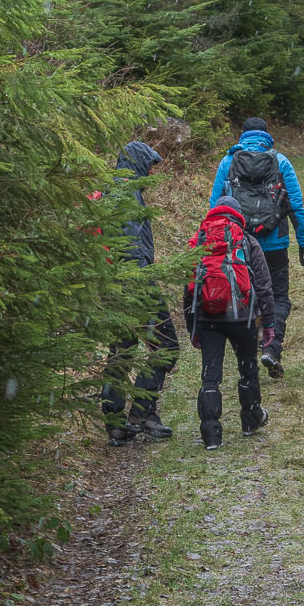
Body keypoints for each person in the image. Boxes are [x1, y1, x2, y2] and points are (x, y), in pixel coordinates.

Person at [208, 119, 304, 378]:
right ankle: (272, 348)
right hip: (274, 242)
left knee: (247, 294)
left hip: (240, 243)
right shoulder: (281, 162)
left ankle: (250, 349)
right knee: (278, 297)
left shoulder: (228, 162)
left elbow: (214, 207)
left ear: (242, 135)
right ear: (267, 136)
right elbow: (295, 205)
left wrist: (210, 243)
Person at [94, 140, 179, 447]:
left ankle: (115, 424)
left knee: (122, 351)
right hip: (136, 283)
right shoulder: (128, 192)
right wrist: (142, 283)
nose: (152, 170)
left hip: (113, 285)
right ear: (139, 163)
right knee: (166, 346)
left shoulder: (111, 189)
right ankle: (142, 414)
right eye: (150, 164)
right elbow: (131, 246)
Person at [183, 199, 277, 450]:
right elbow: (265, 287)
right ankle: (250, 420)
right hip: (241, 317)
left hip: (207, 317)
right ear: (238, 215)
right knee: (248, 368)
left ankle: (211, 433)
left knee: (210, 376)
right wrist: (269, 325)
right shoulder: (245, 240)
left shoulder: (200, 240)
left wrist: (192, 327)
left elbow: (188, 288)